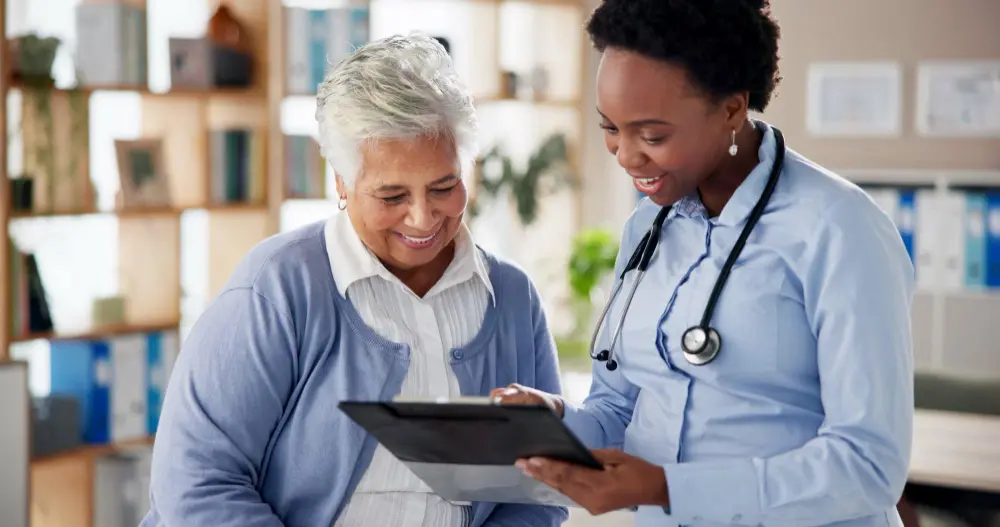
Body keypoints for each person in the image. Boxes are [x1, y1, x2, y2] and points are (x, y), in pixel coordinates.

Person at [493, 0, 915, 526]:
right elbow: (620, 413)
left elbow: (869, 466)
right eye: (609, 129)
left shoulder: (837, 228)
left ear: (733, 109)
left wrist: (669, 486)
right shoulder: (646, 229)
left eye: (652, 135)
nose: (626, 156)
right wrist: (554, 426)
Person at [142, 33, 568, 527]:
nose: (422, 217)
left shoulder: (513, 298)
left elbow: (539, 490)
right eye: (392, 196)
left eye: (444, 187)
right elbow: (196, 483)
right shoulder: (275, 291)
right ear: (341, 184)